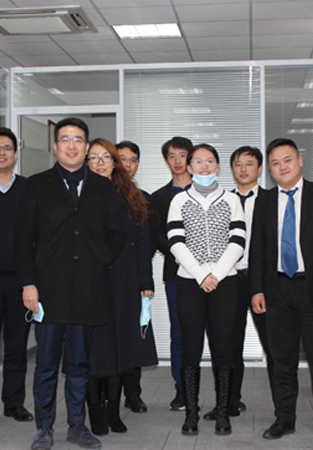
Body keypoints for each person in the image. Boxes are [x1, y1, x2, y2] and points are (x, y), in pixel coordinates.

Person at [15, 118, 126, 450]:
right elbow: (23, 240)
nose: (72, 145)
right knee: (46, 365)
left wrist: (100, 258)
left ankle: (77, 425)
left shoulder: (103, 187)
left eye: (78, 139)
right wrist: (28, 284)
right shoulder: (36, 186)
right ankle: (44, 427)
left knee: (79, 364)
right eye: (65, 139)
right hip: (48, 291)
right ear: (55, 146)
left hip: (89, 290)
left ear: (87, 147)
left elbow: (118, 233)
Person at [250, 138, 313, 443]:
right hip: (277, 290)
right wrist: (256, 289)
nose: (282, 167)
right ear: (269, 169)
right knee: (281, 360)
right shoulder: (264, 200)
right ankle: (284, 418)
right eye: (275, 163)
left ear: (300, 160)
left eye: (287, 160)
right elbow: (257, 247)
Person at [167, 143, 246, 436]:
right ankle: (191, 414)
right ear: (189, 167)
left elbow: (238, 241)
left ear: (218, 166)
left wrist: (216, 274)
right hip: (190, 283)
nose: (204, 167)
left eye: (209, 161)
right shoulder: (179, 200)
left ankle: (223, 412)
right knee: (191, 349)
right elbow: (175, 242)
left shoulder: (231, 200)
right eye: (198, 162)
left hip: (226, 283)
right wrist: (201, 274)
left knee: (223, 349)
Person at [85, 139, 158, 435]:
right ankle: (95, 412)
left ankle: (114, 412)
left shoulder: (131, 195)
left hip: (125, 280)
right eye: (94, 158)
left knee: (119, 348)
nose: (100, 163)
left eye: (106, 157)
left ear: (115, 163)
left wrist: (145, 281)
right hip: (89, 282)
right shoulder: (78, 193)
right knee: (94, 350)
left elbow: (143, 240)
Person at [202, 145, 274, 421]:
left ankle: (283, 411)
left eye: (249, 163)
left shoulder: (271, 200)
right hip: (229, 279)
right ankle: (228, 402)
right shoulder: (222, 200)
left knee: (273, 346)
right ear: (231, 169)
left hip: (263, 283)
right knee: (227, 345)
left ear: (260, 168)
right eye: (238, 164)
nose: (243, 169)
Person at [0, 127, 33, 424]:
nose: (2, 153)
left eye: (7, 148)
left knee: (17, 346)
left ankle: (14, 403)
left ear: (15, 153)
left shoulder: (29, 188)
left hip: (19, 280)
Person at [150, 136, 194, 411]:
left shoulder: (208, 191)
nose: (178, 161)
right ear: (166, 160)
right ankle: (182, 389)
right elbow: (157, 236)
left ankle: (225, 393)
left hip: (212, 274)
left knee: (215, 334)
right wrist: (183, 254)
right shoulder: (158, 198)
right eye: (172, 156)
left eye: (182, 155)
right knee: (180, 332)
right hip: (176, 273)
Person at [115, 139, 152, 413]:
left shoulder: (141, 198)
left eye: (133, 160)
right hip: (105, 276)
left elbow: (144, 244)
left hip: (132, 277)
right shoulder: (99, 192)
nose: (127, 164)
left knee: (134, 336)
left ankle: (133, 394)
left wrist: (145, 281)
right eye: (122, 158)